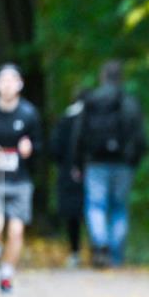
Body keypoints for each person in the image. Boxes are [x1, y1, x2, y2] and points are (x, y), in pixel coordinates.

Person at [0, 64, 42, 294]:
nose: (8, 85)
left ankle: (7, 273)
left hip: (19, 179)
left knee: (16, 231)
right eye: (3, 80)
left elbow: (40, 144)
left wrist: (29, 147)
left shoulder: (29, 113)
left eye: (13, 80)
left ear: (20, 84)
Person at [75, 60, 147, 268]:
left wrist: (78, 162)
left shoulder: (91, 101)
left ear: (102, 76)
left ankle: (101, 243)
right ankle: (115, 257)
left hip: (95, 163)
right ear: (121, 77)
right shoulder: (130, 102)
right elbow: (139, 136)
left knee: (96, 205)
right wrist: (134, 160)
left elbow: (79, 134)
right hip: (124, 164)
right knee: (119, 207)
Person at [50, 90, 87, 268]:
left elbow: (55, 149)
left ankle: (75, 251)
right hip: (92, 171)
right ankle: (102, 250)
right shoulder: (92, 118)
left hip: (68, 172)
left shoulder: (65, 119)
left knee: (73, 215)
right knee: (96, 210)